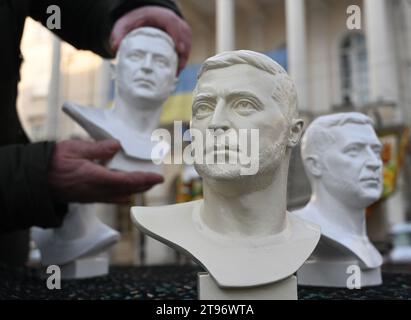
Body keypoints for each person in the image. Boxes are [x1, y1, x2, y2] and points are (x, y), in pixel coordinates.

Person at [0, 0, 191, 266]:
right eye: (137, 56)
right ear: (115, 69)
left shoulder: (158, 146)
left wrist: (127, 8)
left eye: (159, 60)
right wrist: (31, 177)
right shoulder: (88, 118)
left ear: (174, 80)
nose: (147, 67)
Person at [131, 50, 320, 289]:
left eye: (244, 105)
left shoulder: (309, 235)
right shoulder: (158, 221)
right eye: (204, 108)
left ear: (293, 132)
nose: (216, 122)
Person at [293, 112, 383, 287]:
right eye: (354, 151)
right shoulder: (302, 227)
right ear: (315, 165)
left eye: (376, 151)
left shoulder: (364, 245)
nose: (375, 162)